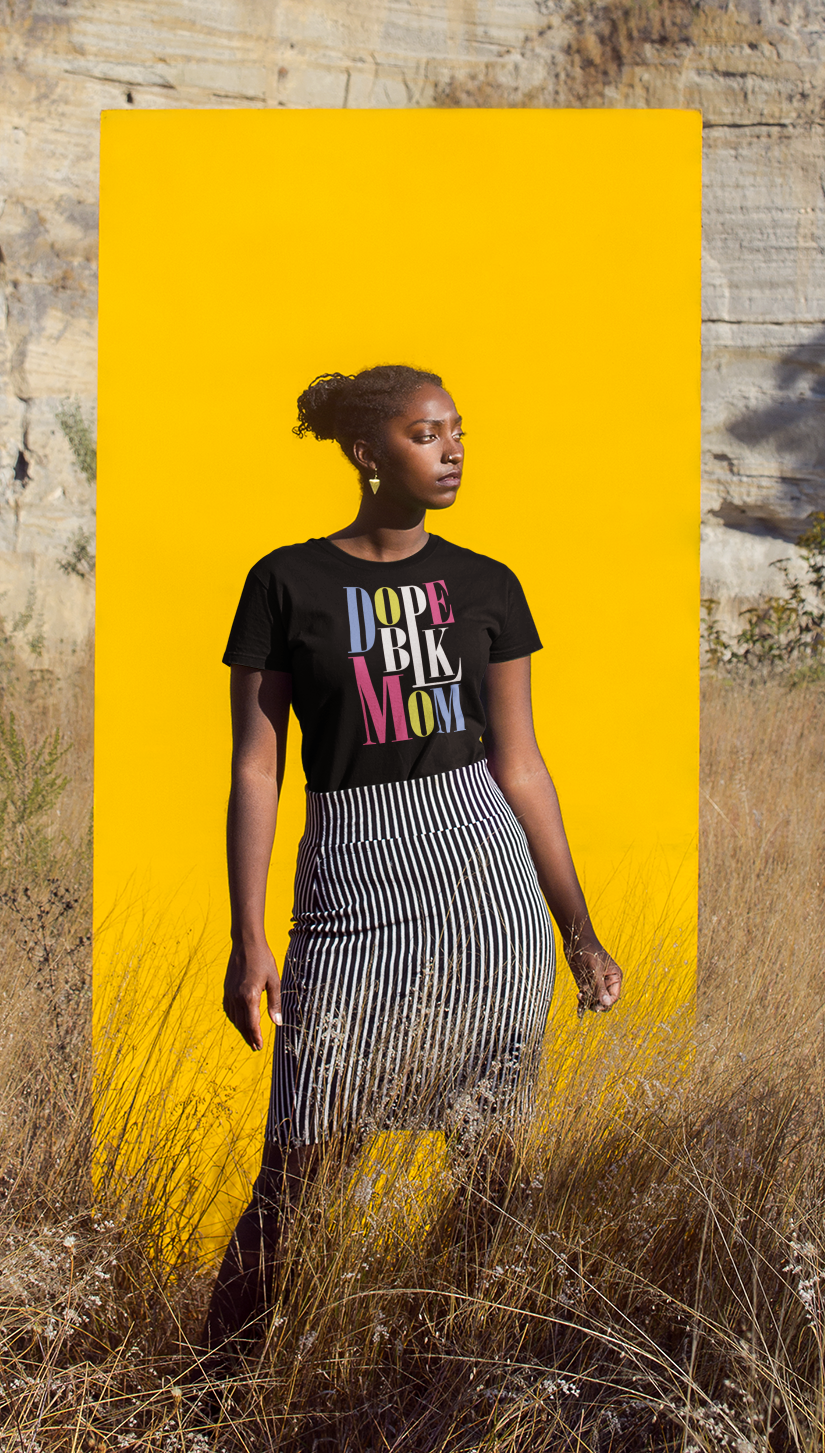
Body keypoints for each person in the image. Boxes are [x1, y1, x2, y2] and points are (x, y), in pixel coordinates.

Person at [203, 363, 622, 1348]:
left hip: (484, 890)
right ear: (365, 452)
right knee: (299, 1167)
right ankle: (210, 1393)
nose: (452, 450)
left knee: (490, 1168)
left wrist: (579, 929)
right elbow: (257, 771)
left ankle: (459, 1376)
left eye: (457, 430)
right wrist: (249, 934)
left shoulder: (487, 586)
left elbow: (521, 768)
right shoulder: (284, 582)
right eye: (427, 434)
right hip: (350, 881)